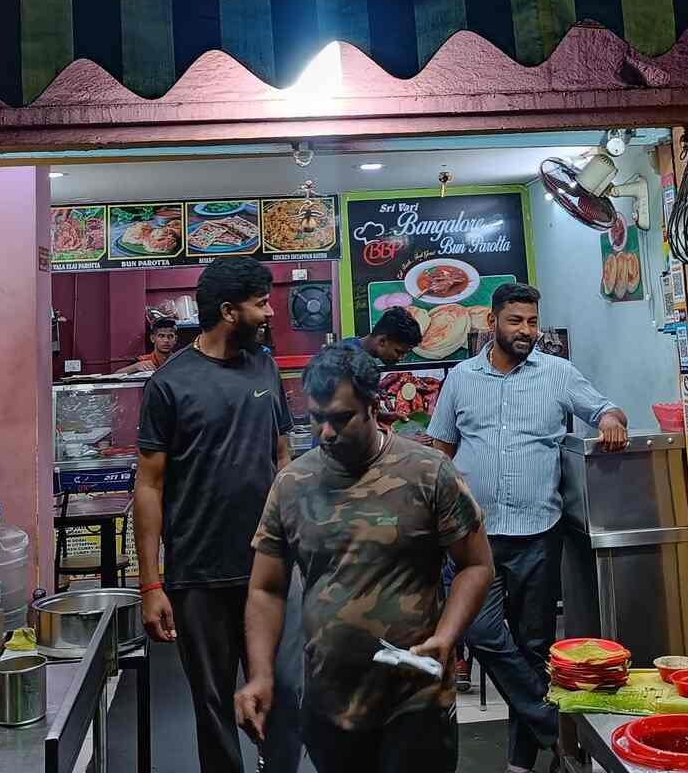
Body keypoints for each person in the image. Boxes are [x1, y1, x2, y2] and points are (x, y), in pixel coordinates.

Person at [235, 344, 494, 773]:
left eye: (341, 418)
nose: (325, 433)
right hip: (329, 700)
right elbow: (266, 589)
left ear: (374, 407)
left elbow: (476, 564)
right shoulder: (292, 484)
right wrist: (260, 675)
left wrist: (447, 636)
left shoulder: (428, 472)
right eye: (316, 418)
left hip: (415, 699)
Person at [427, 282, 629, 773]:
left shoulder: (557, 374)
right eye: (515, 321)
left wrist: (612, 420)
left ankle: (521, 761)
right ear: (492, 322)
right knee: (479, 631)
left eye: (532, 322)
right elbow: (441, 452)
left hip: (539, 532)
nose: (526, 330)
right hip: (476, 538)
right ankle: (551, 723)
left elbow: (605, 407)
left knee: (533, 646)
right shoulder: (461, 378)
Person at [134, 258, 302, 773]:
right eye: (260, 304)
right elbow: (149, 485)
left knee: (284, 693)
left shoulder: (264, 367)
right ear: (229, 311)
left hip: (267, 568)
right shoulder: (169, 384)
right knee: (212, 705)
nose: (270, 313)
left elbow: (282, 457)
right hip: (198, 573)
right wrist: (150, 584)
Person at [353, 306, 423, 368]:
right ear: (382, 341)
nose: (401, 358)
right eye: (399, 352)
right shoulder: (351, 364)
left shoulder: (357, 357)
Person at [119, 311, 180, 375]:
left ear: (175, 339)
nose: (166, 340)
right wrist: (136, 367)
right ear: (152, 338)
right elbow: (116, 374)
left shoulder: (180, 360)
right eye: (161, 336)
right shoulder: (143, 360)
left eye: (170, 336)